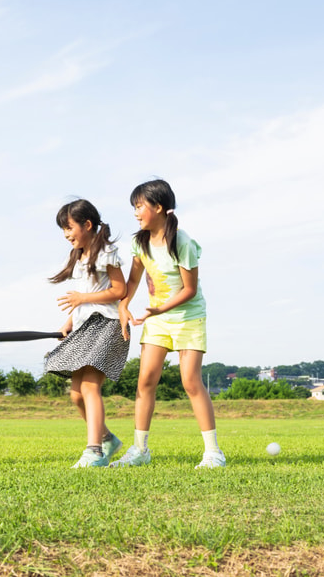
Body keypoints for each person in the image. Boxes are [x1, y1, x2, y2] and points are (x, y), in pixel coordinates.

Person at [112, 179, 226, 469]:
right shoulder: (140, 243)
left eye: (140, 206)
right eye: (134, 207)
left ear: (159, 207)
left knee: (190, 380)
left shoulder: (182, 242)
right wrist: (124, 305)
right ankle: (140, 451)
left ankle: (213, 453)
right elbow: (134, 279)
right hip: (158, 319)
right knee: (146, 380)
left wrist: (158, 308)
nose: (136, 213)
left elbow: (189, 289)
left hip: (187, 317)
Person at [44, 200, 130, 468]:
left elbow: (119, 291)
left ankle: (94, 451)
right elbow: (84, 301)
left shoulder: (105, 252)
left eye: (69, 227)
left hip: (107, 324)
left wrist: (82, 298)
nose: (66, 234)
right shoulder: (80, 256)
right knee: (76, 394)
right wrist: (68, 323)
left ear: (87, 225)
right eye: (63, 229)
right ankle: (107, 439)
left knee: (91, 387)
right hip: (85, 326)